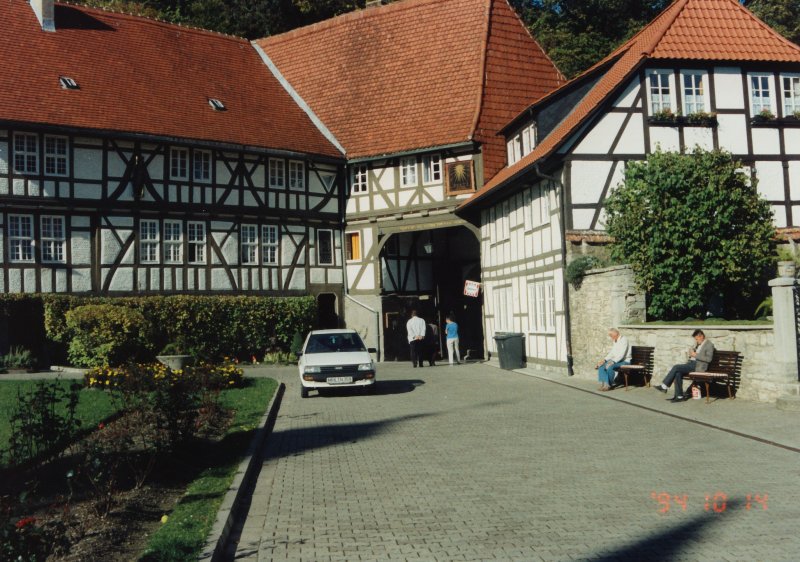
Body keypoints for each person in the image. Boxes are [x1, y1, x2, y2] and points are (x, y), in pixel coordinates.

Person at [654, 329, 715, 402]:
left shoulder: (709, 345)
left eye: (697, 339)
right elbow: (697, 355)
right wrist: (691, 354)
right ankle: (679, 396)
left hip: (698, 366)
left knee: (676, 367)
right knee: (678, 372)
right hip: (692, 363)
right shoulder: (699, 344)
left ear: (701, 336)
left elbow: (709, 359)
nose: (696, 341)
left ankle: (664, 386)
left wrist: (695, 355)